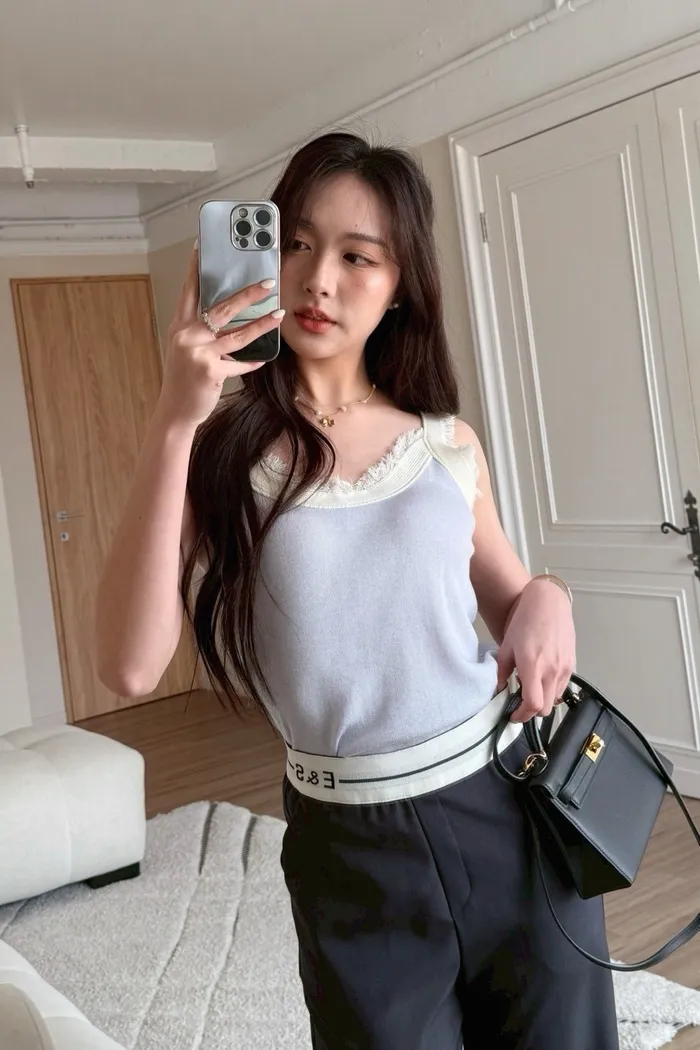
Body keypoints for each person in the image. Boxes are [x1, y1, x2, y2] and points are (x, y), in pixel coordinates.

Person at [96, 131, 619, 1049]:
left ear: (400, 283)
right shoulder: (220, 456)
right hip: (349, 845)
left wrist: (552, 595)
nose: (317, 280)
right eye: (296, 244)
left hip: (508, 805)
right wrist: (175, 420)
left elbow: (512, 598)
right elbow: (129, 667)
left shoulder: (445, 442)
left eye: (356, 256)